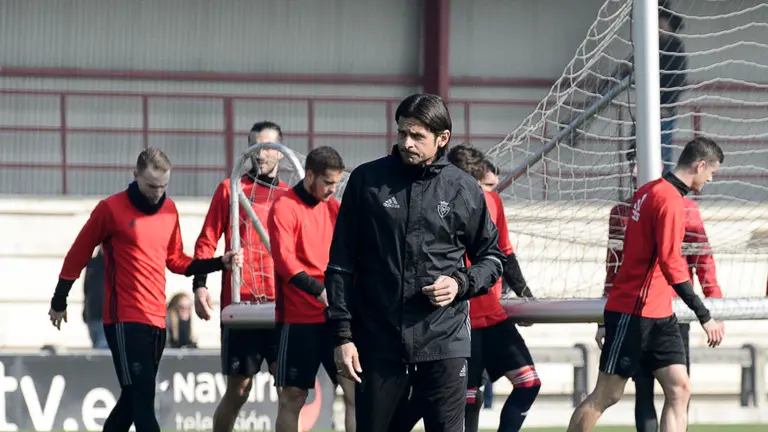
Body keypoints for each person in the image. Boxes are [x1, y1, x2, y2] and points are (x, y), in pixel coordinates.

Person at [324, 93, 506, 432]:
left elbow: (492, 257)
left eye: (417, 136)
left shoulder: (463, 188)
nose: (406, 142)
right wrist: (342, 336)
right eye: (402, 133)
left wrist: (459, 283)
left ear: (442, 139)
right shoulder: (367, 182)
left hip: (444, 343)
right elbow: (340, 265)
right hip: (378, 343)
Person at [48, 147, 241, 432]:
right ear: (135, 175)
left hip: (156, 320)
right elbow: (78, 253)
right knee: (143, 399)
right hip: (123, 320)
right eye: (151, 185)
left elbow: (176, 260)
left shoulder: (169, 210)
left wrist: (217, 263)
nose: (157, 192)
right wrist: (59, 299)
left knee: (132, 398)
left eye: (163, 186)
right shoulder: (110, 209)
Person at [567, 137, 726, 432]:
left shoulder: (646, 192)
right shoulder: (669, 200)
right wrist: (705, 315)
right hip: (633, 312)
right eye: (711, 173)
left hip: (659, 313)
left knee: (679, 388)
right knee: (607, 395)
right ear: (700, 165)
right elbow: (670, 261)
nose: (710, 180)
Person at [401, 144, 540, 432]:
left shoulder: (491, 201)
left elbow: (504, 253)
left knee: (529, 382)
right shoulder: (432, 201)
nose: (479, 188)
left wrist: (525, 295)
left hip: (493, 316)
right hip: (460, 321)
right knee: (463, 401)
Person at [192, 121, 288, 432]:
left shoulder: (290, 196)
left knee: (289, 390)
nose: (261, 155)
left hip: (283, 306)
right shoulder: (230, 189)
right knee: (239, 390)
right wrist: (200, 286)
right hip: (241, 305)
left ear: (281, 153)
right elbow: (207, 240)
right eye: (255, 148)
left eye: (268, 147)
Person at [268, 146, 355, 432]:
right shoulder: (284, 206)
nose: (333, 189)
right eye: (328, 182)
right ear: (310, 176)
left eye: (336, 183)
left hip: (335, 320)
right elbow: (284, 262)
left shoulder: (336, 210)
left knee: (355, 393)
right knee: (293, 397)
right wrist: (320, 291)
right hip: (298, 321)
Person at [83, 247, 107, 349]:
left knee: (102, 349)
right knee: (97, 348)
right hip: (93, 315)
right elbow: (87, 289)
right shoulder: (92, 264)